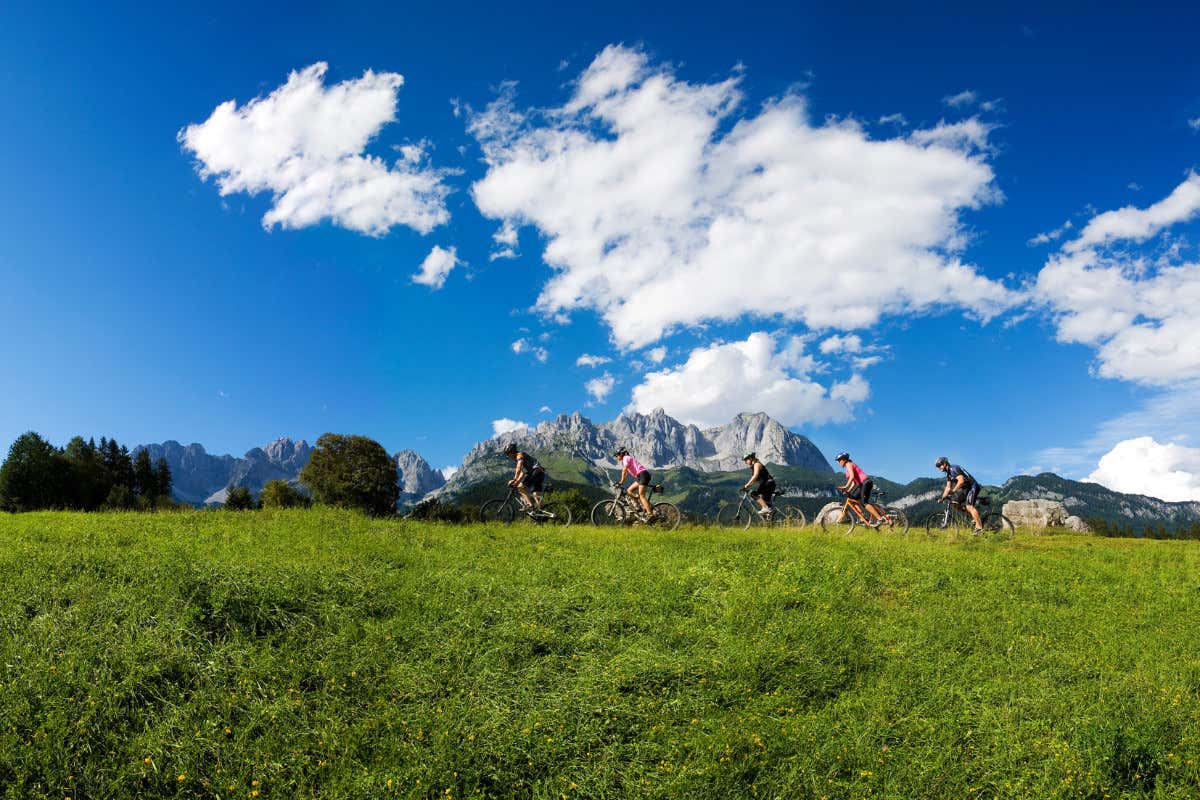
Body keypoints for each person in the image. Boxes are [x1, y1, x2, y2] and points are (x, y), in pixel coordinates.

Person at [936, 456, 984, 533]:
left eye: (939, 465)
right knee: (955, 504)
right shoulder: (948, 474)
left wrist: (954, 491)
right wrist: (942, 498)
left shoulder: (953, 468)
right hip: (966, 489)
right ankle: (974, 516)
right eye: (937, 466)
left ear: (944, 464)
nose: (939, 468)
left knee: (969, 506)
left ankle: (979, 528)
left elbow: (961, 481)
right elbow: (948, 488)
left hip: (972, 486)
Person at [835, 451, 885, 524]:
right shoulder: (847, 467)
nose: (839, 462)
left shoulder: (848, 464)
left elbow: (851, 477)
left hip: (865, 482)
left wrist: (846, 486)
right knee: (852, 498)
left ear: (844, 459)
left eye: (839, 460)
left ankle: (879, 518)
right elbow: (854, 482)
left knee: (864, 503)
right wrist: (848, 490)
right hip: (861, 484)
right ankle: (863, 518)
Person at [612, 446, 654, 517]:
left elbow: (624, 470)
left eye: (617, 455)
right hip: (640, 476)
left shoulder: (626, 458)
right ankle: (638, 506)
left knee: (642, 495)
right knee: (629, 491)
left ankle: (650, 514)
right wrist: (621, 482)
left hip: (643, 474)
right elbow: (626, 474)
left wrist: (621, 482)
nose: (616, 457)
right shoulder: (626, 459)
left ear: (621, 454)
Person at [503, 442, 546, 509]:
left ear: (511, 452)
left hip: (536, 472)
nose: (508, 456)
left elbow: (519, 468)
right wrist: (516, 482)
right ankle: (542, 514)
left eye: (508, 454)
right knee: (536, 495)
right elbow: (523, 473)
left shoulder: (519, 455)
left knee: (520, 487)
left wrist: (514, 479)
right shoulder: (522, 457)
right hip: (540, 473)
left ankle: (529, 504)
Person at [741, 451, 777, 516]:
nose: (745, 462)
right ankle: (769, 517)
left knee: (753, 494)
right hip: (769, 484)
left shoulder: (757, 464)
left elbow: (755, 476)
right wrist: (747, 486)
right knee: (765, 503)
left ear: (751, 458)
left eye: (746, 459)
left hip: (768, 483)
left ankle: (766, 508)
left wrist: (747, 485)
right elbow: (754, 480)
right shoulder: (755, 465)